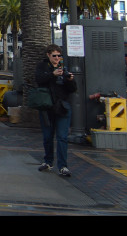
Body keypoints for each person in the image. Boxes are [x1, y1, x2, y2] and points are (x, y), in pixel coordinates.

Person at [35, 44, 77, 177]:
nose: (57, 58)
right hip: (47, 107)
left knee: (62, 137)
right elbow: (39, 80)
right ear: (48, 55)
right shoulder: (42, 67)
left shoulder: (64, 68)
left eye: (59, 56)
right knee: (48, 136)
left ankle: (63, 166)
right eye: (54, 56)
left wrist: (69, 80)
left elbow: (72, 89)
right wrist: (52, 75)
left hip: (62, 107)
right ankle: (48, 161)